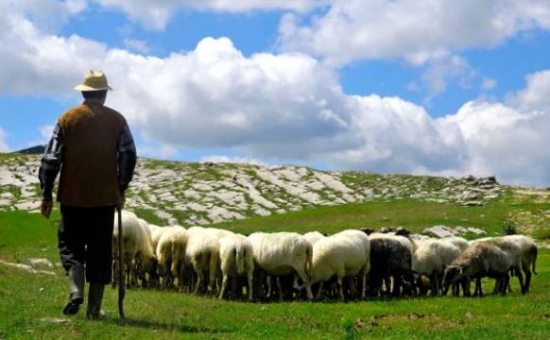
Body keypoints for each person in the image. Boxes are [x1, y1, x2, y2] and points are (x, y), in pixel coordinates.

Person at [39, 70, 137, 319]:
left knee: (70, 246)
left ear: (84, 92)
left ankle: (75, 290)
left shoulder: (67, 119)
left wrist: (47, 194)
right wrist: (120, 187)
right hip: (104, 199)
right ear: (104, 95)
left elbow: (51, 159)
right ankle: (93, 310)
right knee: (100, 251)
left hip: (72, 197)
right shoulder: (117, 121)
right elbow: (128, 155)